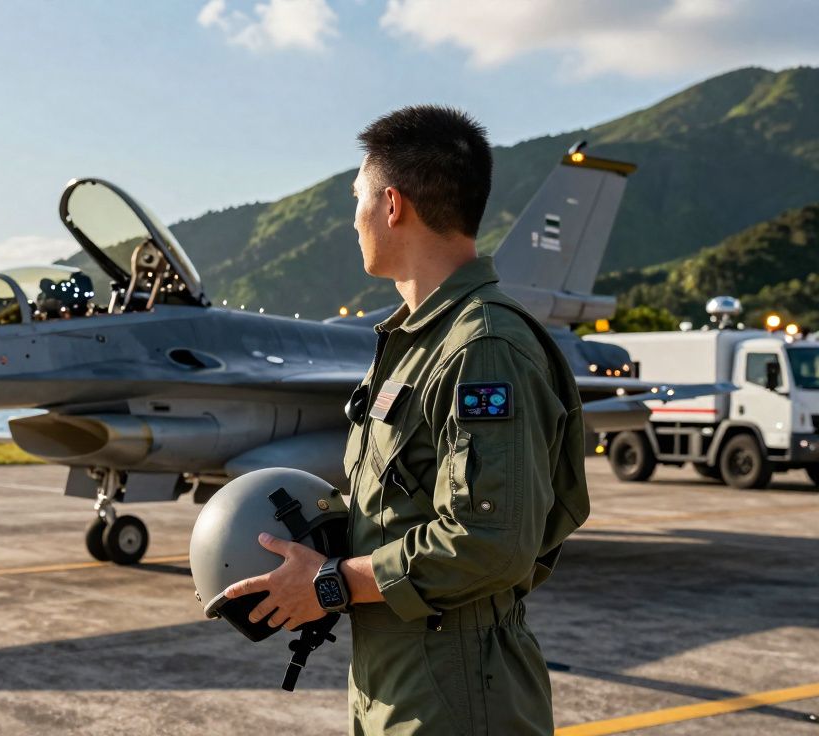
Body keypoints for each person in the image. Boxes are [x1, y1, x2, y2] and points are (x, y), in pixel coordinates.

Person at [221, 105, 590, 734]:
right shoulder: (416, 343)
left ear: (392, 205)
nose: (354, 219)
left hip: (458, 688)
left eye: (357, 199)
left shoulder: (482, 347)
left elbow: (492, 543)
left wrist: (332, 583)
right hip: (399, 675)